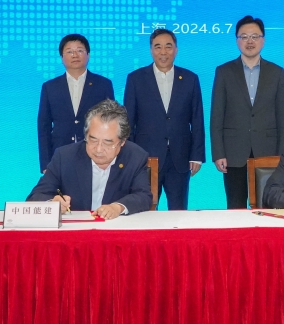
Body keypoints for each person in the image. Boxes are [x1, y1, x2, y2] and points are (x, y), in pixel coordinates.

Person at [210, 15, 284, 209]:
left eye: (255, 36)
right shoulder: (224, 71)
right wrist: (218, 153)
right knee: (235, 206)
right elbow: (216, 115)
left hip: (268, 150)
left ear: (263, 40)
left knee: (268, 204)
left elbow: (283, 118)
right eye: (244, 37)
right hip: (233, 151)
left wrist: (282, 154)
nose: (250, 41)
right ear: (237, 41)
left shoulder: (277, 72)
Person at [27, 99, 152, 219]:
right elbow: (35, 196)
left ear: (122, 142)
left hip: (115, 229)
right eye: (93, 140)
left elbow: (143, 196)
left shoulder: (135, 157)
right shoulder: (65, 157)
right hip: (76, 230)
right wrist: (53, 203)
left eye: (107, 143)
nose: (98, 149)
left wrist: (118, 207)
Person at [123, 28, 205, 210]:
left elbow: (197, 119)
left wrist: (197, 156)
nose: (163, 52)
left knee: (179, 211)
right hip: (146, 157)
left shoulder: (190, 78)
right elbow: (128, 121)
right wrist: (130, 156)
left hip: (180, 158)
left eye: (168, 46)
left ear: (176, 49)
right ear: (151, 50)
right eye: (158, 47)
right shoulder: (136, 79)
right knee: (144, 210)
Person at [37, 33, 115, 172]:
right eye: (69, 51)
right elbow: (44, 126)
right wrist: (46, 163)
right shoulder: (50, 87)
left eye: (80, 50)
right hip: (60, 154)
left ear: (88, 55)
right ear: (62, 57)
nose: (75, 55)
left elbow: (111, 122)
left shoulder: (103, 84)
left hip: (96, 154)